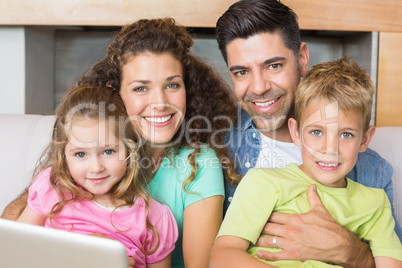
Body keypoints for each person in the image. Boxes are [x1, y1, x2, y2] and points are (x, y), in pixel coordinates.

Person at [2, 18, 241, 268]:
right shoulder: (86, 146)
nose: (160, 102)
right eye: (140, 88)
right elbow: (19, 222)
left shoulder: (198, 164)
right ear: (115, 92)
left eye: (172, 85)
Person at [215, 0, 402, 267]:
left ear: (301, 59)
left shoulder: (373, 173)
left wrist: (352, 252)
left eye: (273, 65)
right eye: (242, 72)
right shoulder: (216, 149)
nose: (258, 87)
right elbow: (219, 255)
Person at [17, 85, 178, 268]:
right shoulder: (51, 187)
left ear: (130, 150)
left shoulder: (153, 218)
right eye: (80, 154)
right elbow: (17, 252)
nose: (96, 168)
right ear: (63, 155)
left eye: (108, 151)